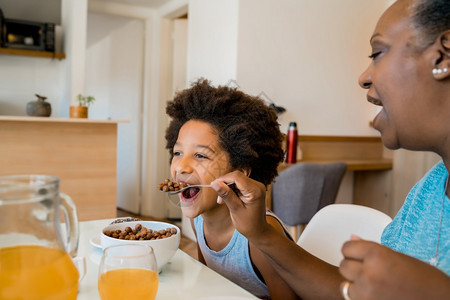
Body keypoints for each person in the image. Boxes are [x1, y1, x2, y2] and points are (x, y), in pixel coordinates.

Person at [210, 0, 450, 299]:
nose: (363, 77)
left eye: (378, 53)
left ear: (443, 55)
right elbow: (353, 293)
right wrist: (260, 233)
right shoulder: (428, 190)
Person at [164, 79, 299, 300]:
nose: (180, 166)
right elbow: (206, 280)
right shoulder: (198, 219)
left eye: (200, 155)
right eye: (178, 153)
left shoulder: (261, 235)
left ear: (240, 172)